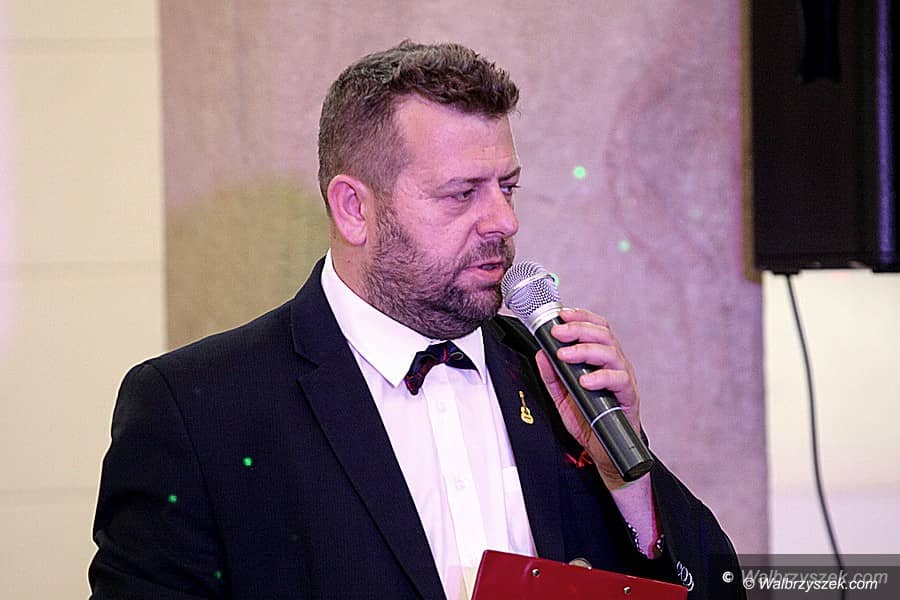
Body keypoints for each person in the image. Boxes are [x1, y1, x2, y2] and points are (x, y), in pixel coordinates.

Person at [90, 41, 744, 600]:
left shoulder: (552, 377)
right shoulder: (197, 409)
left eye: (507, 187)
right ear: (354, 209)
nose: (504, 221)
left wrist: (625, 477)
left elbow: (718, 586)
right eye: (462, 193)